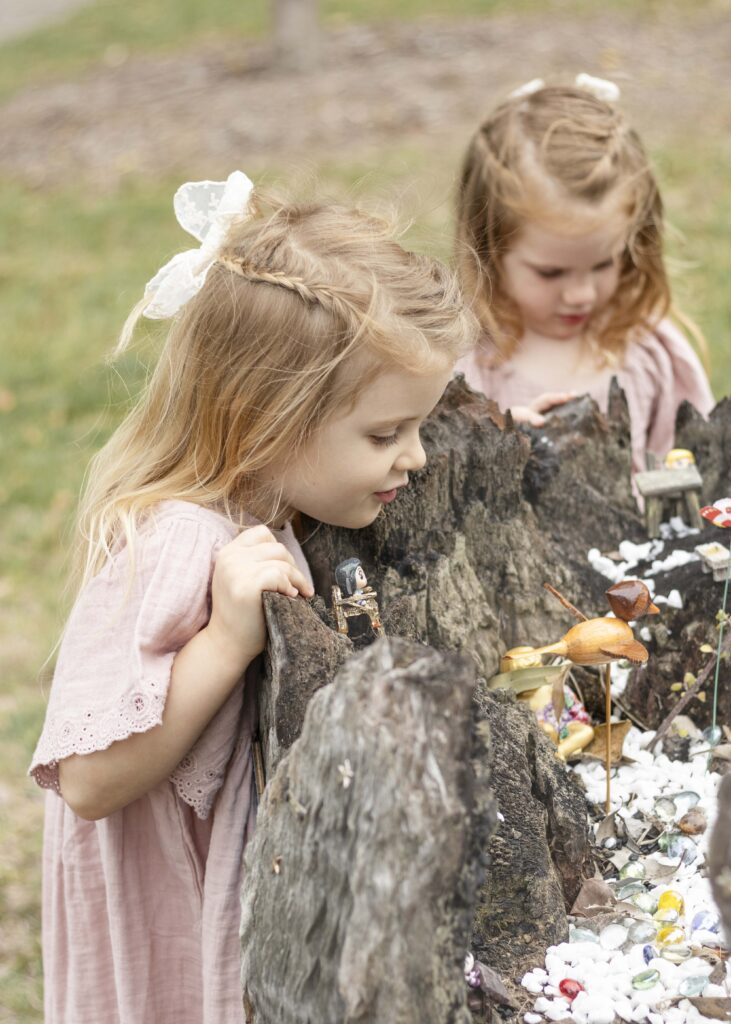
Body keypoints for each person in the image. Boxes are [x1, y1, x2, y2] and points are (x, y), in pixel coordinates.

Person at [29, 171, 477, 1024]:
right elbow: (85, 780)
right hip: (162, 922)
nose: (413, 458)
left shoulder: (265, 510)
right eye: (384, 434)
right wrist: (224, 644)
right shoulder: (176, 543)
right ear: (264, 417)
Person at [454, 74, 714, 472]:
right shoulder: (466, 366)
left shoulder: (650, 352)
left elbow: (701, 472)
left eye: (604, 263)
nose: (580, 294)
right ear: (488, 249)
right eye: (550, 272)